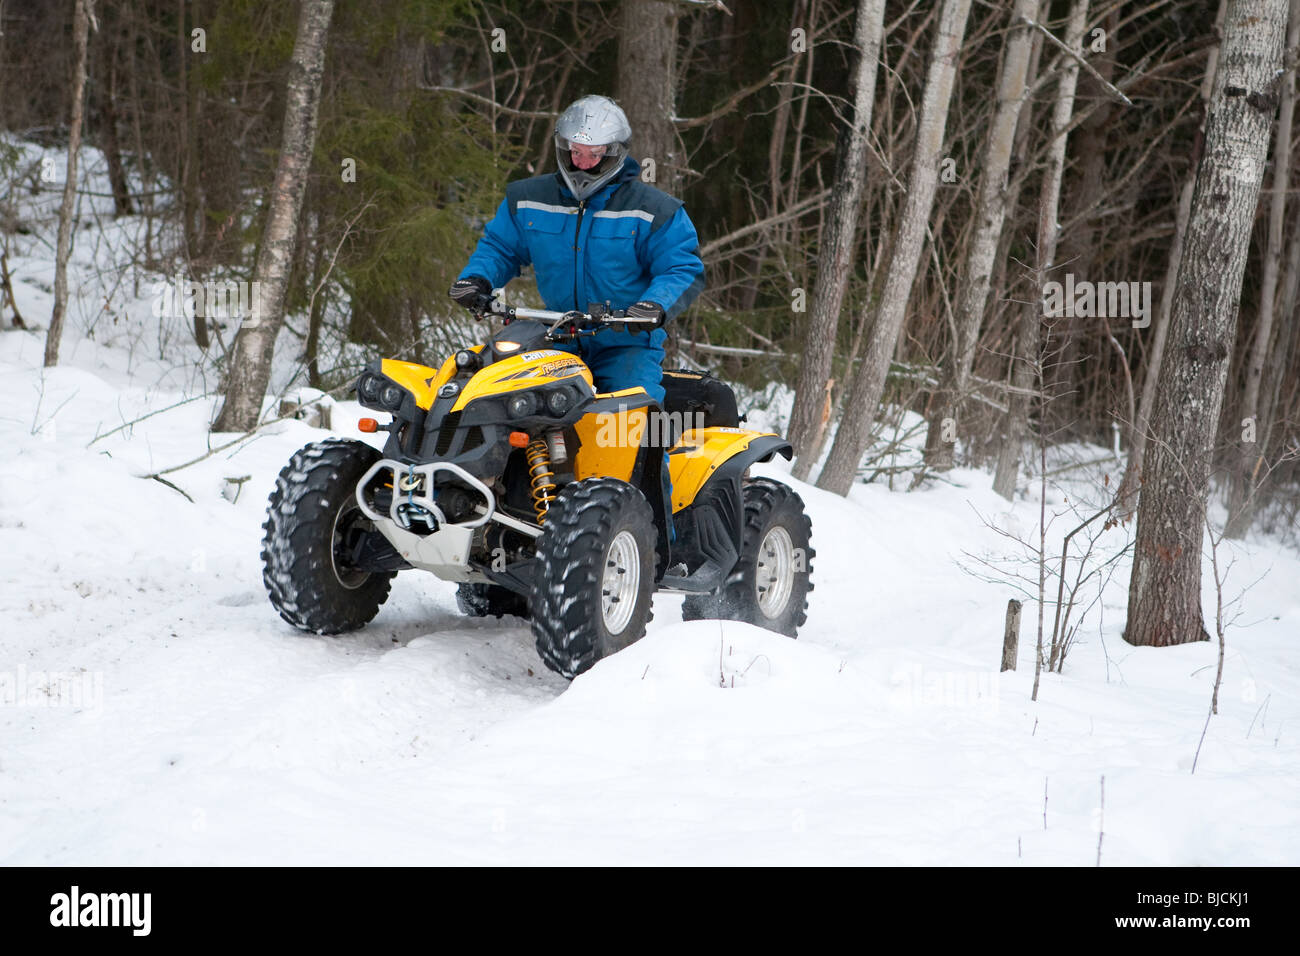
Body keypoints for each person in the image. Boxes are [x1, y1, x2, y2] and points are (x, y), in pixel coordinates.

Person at [449, 94, 705, 405]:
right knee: (500, 401)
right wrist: (477, 279)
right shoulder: (530, 198)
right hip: (552, 337)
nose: (581, 163)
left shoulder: (652, 209)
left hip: (625, 343)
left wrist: (654, 305)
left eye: (593, 155)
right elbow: (501, 248)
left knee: (634, 417)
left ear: (613, 154)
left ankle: (649, 451)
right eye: (575, 152)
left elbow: (681, 267)